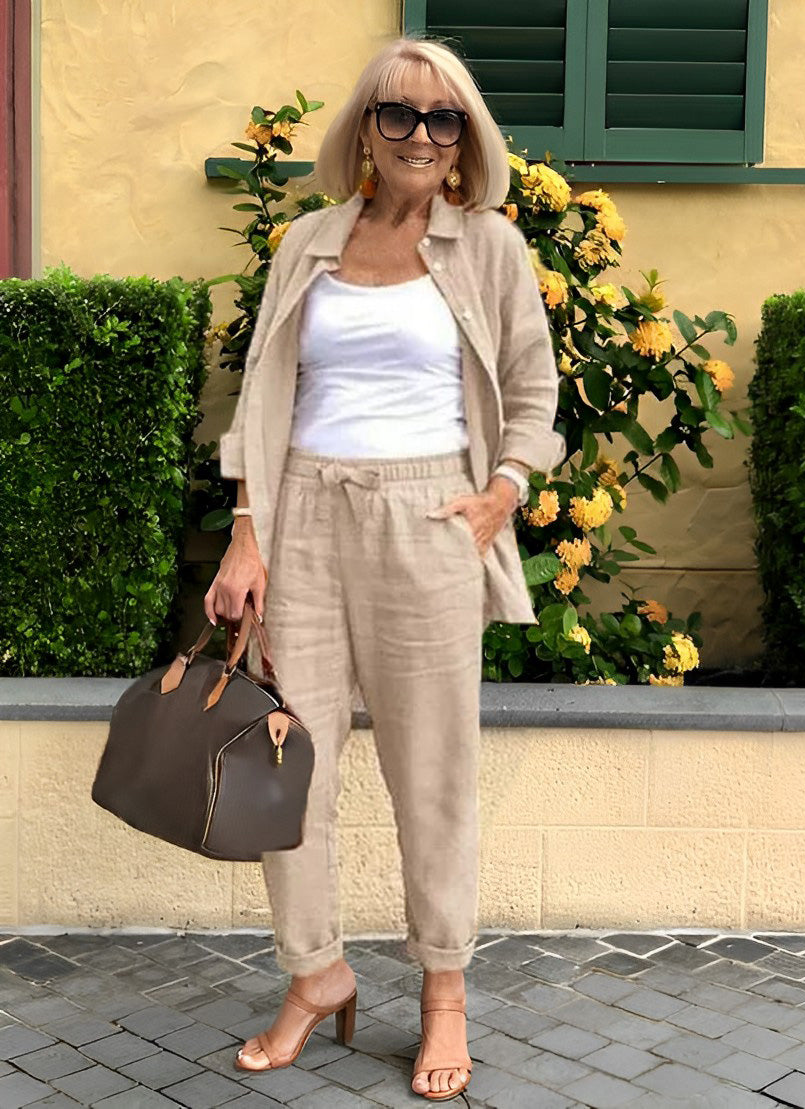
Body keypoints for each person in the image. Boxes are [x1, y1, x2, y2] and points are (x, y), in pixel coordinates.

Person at [204, 35, 565, 1102]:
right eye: (397, 113)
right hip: (304, 516)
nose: (419, 135)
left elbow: (534, 390)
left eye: (441, 118)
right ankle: (316, 972)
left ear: (464, 139)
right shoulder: (308, 242)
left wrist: (501, 492)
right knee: (288, 767)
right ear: (366, 128)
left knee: (432, 772)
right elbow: (262, 396)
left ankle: (444, 988)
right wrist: (247, 532)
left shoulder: (489, 247)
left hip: (428, 517)